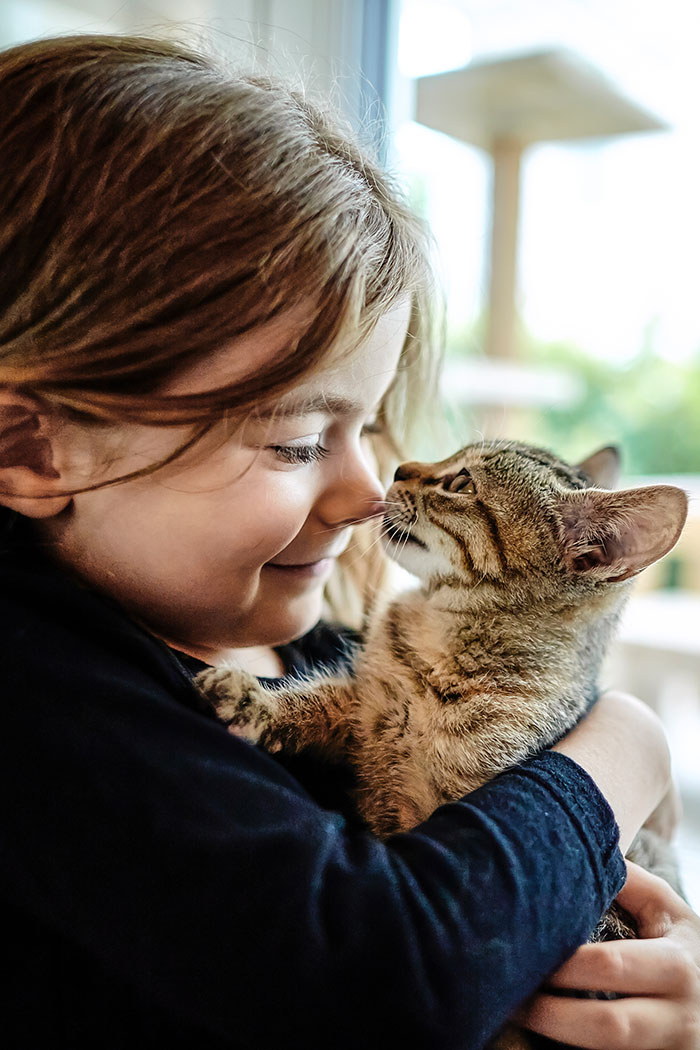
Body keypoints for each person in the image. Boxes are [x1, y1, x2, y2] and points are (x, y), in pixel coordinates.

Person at [0, 32, 697, 1050]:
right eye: (295, 441)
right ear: (28, 447)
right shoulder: (36, 689)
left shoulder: (325, 657)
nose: (371, 490)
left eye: (368, 424)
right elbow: (385, 972)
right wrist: (623, 749)